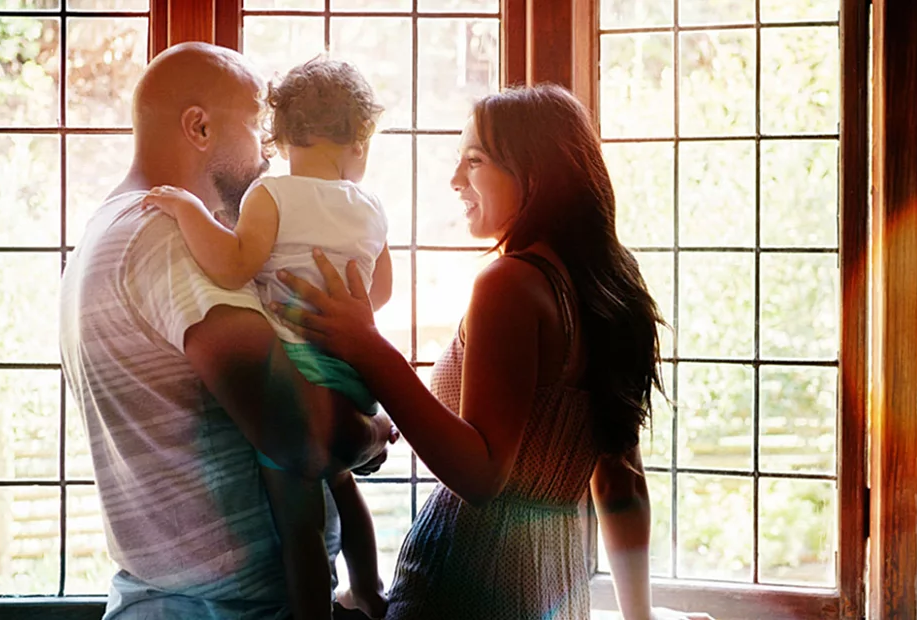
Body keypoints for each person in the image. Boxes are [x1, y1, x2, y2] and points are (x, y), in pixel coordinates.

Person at [271, 85, 711, 620]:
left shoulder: (510, 283)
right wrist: (638, 617)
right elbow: (621, 484)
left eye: (474, 161)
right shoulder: (611, 285)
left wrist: (368, 348)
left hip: (466, 580)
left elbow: (480, 477)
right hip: (558, 581)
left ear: (534, 172)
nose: (455, 180)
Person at [57, 42, 392, 620]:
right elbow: (303, 439)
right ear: (199, 127)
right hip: (225, 609)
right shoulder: (170, 239)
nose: (271, 152)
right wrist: (372, 432)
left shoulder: (106, 227)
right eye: (258, 127)